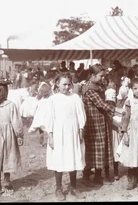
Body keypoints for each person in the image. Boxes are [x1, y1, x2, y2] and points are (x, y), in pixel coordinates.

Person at [45, 73, 86, 201]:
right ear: (57, 84)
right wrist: (50, 135)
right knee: (59, 158)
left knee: (72, 157)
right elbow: (50, 119)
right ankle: (58, 188)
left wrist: (80, 130)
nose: (67, 87)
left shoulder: (75, 98)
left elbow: (81, 115)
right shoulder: (53, 99)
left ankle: (73, 187)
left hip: (72, 131)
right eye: (64, 84)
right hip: (59, 132)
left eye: (69, 84)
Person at [81, 64, 115, 186]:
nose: (102, 78)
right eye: (101, 76)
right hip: (93, 124)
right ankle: (86, 175)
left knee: (101, 148)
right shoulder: (89, 89)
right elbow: (101, 104)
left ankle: (98, 176)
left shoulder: (98, 86)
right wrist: (115, 109)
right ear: (93, 75)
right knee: (94, 149)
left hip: (101, 121)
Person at [28, 82, 52, 146]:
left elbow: (35, 108)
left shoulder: (40, 101)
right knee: (49, 129)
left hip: (40, 117)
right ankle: (49, 139)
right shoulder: (50, 100)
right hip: (47, 117)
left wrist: (33, 114)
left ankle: (41, 141)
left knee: (41, 130)